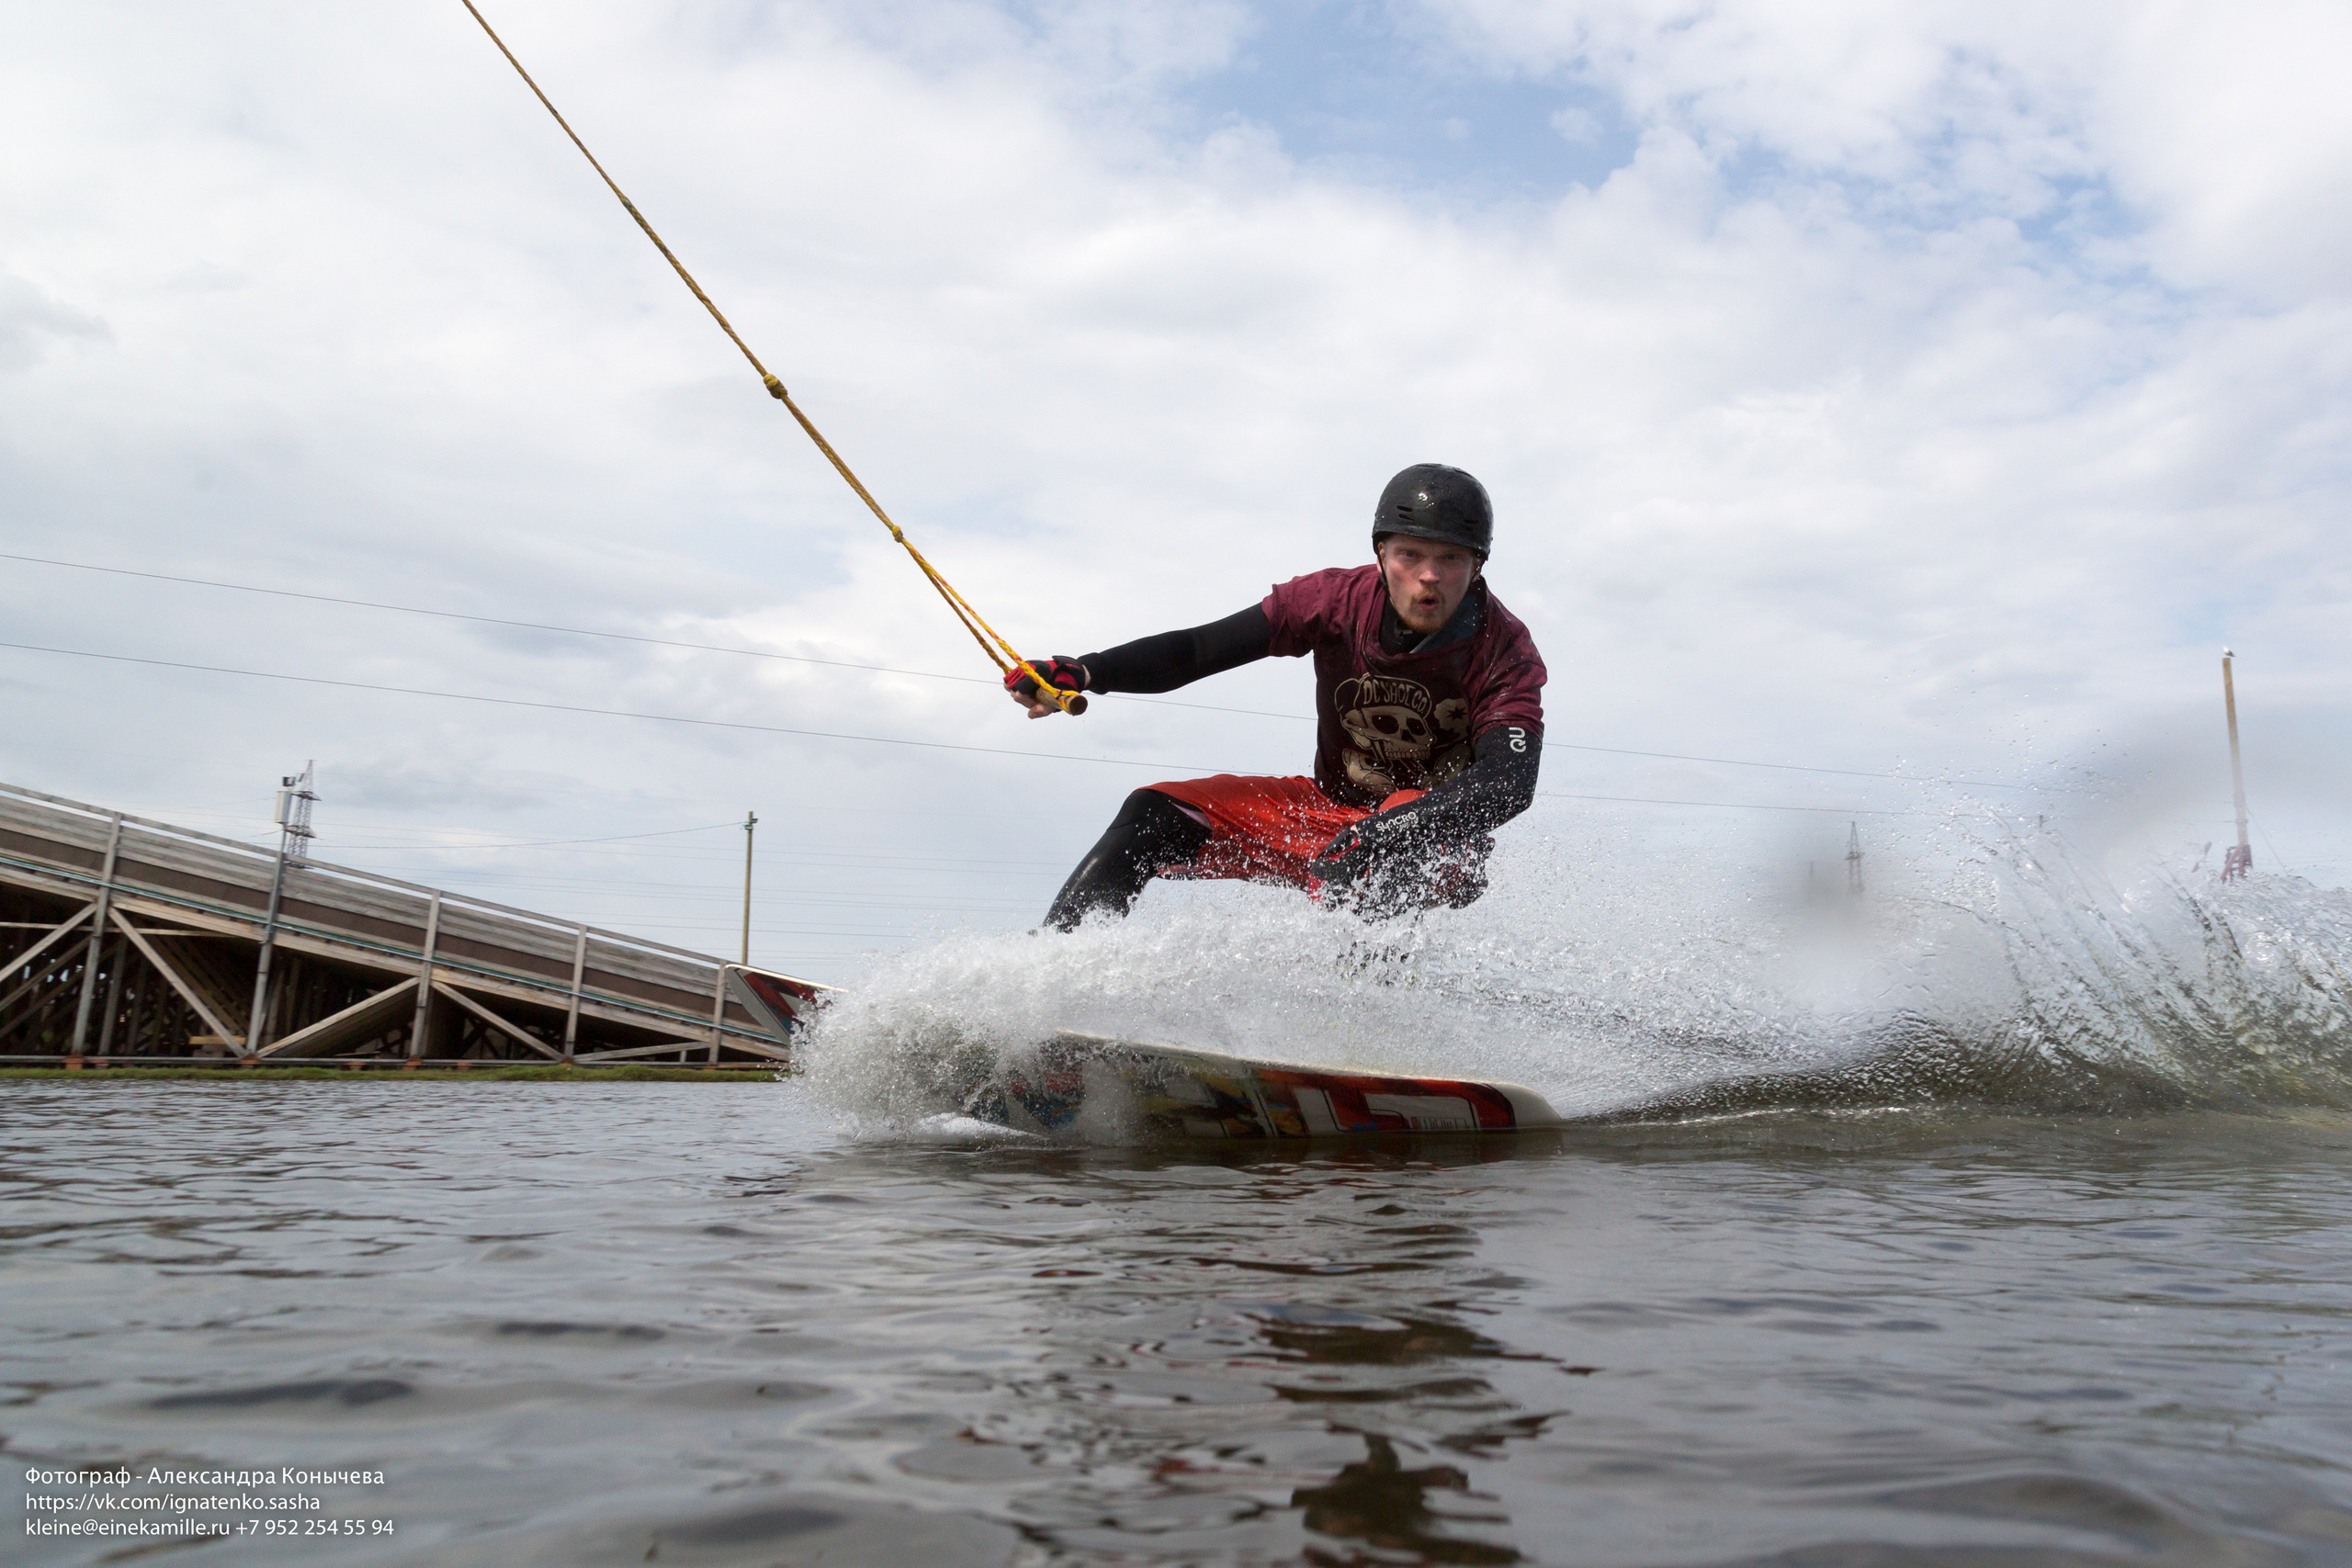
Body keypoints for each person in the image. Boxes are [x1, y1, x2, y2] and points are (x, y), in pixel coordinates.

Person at [1008, 463, 1546, 930]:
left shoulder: (1505, 649)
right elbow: (1196, 650)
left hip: (1432, 843)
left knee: (1390, 834)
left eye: (1451, 559)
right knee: (1156, 809)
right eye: (1410, 554)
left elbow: (1508, 784)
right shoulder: (1330, 601)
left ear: (1477, 565)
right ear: (1381, 554)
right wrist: (1086, 670)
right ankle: (1050, 974)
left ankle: (1367, 1020)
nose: (1428, 578)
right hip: (1328, 814)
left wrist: (1387, 834)